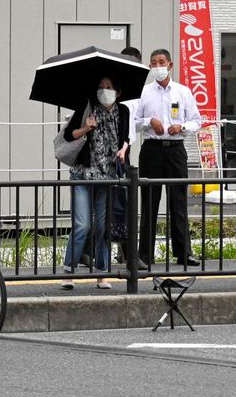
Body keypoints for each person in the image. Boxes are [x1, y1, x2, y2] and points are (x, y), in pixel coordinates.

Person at [59, 77, 130, 290]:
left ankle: (101, 274)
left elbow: (125, 137)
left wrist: (124, 149)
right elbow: (70, 134)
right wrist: (86, 129)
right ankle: (68, 272)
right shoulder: (87, 105)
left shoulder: (123, 111)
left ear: (118, 92)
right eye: (100, 87)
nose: (104, 91)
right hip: (83, 174)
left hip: (107, 177)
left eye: (109, 88)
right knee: (82, 225)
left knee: (102, 227)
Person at [135, 49, 202, 267]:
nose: (157, 67)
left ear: (170, 65)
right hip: (151, 149)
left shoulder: (183, 92)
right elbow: (132, 122)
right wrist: (148, 121)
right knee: (149, 203)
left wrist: (180, 126)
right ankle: (145, 255)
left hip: (175, 149)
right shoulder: (143, 92)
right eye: (153, 63)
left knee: (178, 202)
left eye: (161, 62)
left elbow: (196, 121)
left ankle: (184, 253)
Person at [111, 46, 143, 267]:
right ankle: (88, 251)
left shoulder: (141, 91)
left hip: (126, 153)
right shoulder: (114, 88)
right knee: (107, 205)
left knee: (126, 205)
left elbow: (137, 122)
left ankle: (129, 254)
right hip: (108, 154)